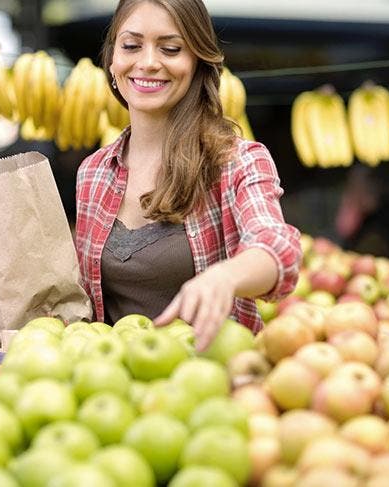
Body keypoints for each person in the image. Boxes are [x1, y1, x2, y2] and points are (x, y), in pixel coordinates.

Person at [75, 0, 302, 351]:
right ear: (112, 60)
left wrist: (225, 277)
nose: (148, 63)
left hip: (211, 385)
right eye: (131, 46)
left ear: (197, 61)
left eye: (170, 48)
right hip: (114, 386)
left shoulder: (236, 161)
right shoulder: (92, 173)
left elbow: (279, 251)